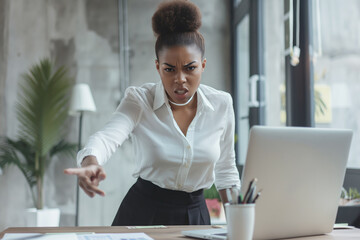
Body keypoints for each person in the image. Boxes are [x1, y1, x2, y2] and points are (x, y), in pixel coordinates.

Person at [64, 0, 240, 226]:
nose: (180, 79)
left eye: (190, 68)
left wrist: (240, 224)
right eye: (169, 69)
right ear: (157, 67)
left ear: (203, 65)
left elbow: (226, 170)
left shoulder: (222, 104)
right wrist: (90, 160)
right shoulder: (139, 100)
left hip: (196, 216)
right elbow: (107, 138)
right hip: (142, 213)